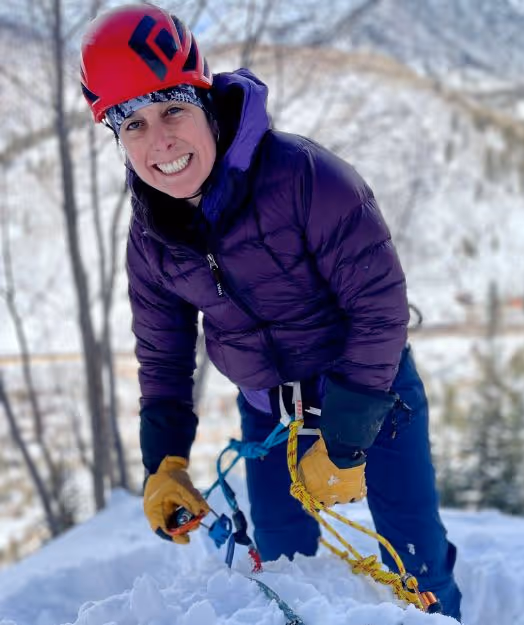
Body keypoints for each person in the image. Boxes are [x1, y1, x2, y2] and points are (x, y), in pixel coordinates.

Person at [80, 4, 461, 620]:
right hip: (271, 416)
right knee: (285, 570)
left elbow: (380, 306)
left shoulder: (307, 177)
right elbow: (163, 355)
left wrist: (345, 436)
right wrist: (165, 463)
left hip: (372, 393)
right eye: (134, 125)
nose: (161, 142)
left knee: (415, 564)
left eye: (172, 109)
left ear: (203, 99)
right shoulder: (151, 237)